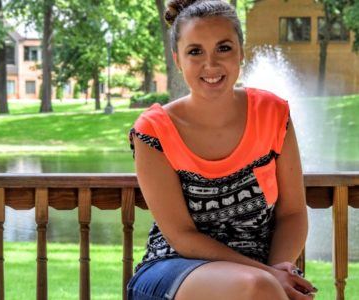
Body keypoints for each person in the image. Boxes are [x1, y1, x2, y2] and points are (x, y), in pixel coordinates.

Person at [126, 0, 318, 299]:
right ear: (178, 60)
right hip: (175, 268)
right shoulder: (154, 130)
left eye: (224, 48)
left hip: (260, 274)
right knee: (259, 287)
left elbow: (292, 212)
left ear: (241, 52)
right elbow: (182, 237)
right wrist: (269, 277)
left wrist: (279, 269)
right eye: (195, 52)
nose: (211, 64)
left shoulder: (273, 113)